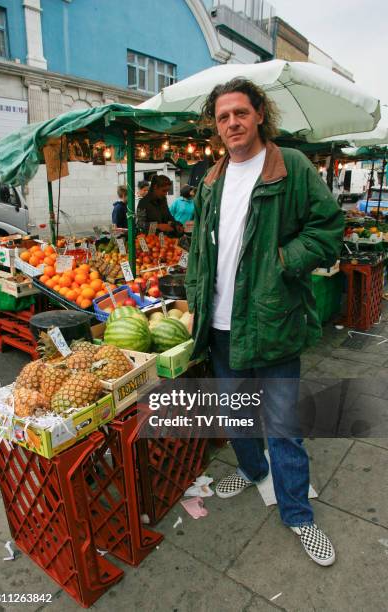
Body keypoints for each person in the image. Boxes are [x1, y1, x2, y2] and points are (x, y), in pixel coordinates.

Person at [185, 77, 344, 566]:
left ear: (258, 115)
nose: (232, 123)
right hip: (219, 324)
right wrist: (195, 296)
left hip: (273, 320)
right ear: (216, 126)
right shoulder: (212, 179)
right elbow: (201, 248)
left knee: (283, 426)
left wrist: (283, 261)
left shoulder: (289, 167)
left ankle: (298, 514)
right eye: (223, 116)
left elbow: (328, 228)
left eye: (240, 113)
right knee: (235, 415)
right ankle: (253, 472)